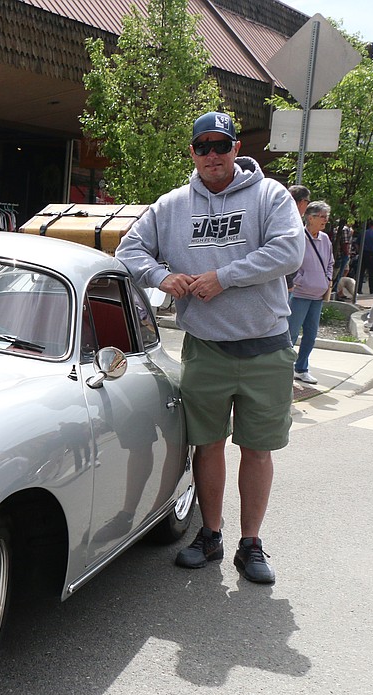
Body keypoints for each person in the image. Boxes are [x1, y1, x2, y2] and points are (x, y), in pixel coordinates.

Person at [116, 111, 304, 585]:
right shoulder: (173, 205)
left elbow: (289, 252)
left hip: (266, 348)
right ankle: (211, 535)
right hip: (206, 349)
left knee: (258, 450)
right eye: (204, 146)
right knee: (207, 446)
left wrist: (224, 277)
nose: (213, 155)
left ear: (237, 149)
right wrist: (162, 276)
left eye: (222, 145)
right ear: (194, 153)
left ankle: (251, 543)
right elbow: (128, 249)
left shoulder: (270, 195)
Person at [286, 201, 334, 384]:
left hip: (317, 295)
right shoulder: (299, 237)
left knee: (311, 334)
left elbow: (330, 262)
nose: (325, 220)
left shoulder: (325, 239)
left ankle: (301, 368)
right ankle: (285, 368)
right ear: (310, 217)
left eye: (326, 217)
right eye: (322, 217)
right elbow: (291, 262)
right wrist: (299, 280)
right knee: (291, 333)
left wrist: (327, 279)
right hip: (300, 294)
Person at [356, 218, 373, 297]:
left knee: (361, 272)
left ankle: (358, 288)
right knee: (371, 272)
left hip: (363, 253)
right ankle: (372, 288)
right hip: (371, 254)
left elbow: (357, 244)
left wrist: (359, 251)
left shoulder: (363, 233)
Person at [331, 219, 353, 293]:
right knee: (339, 274)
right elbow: (345, 243)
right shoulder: (345, 229)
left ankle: (338, 291)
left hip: (337, 254)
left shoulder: (335, 229)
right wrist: (347, 254)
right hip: (342, 255)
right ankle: (335, 290)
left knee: (337, 273)